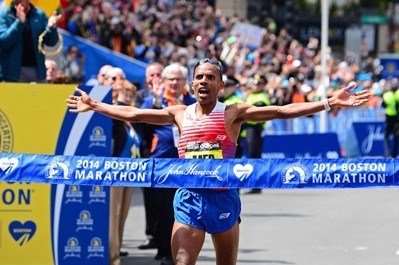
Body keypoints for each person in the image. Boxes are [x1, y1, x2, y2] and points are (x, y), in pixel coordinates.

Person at [66, 58, 369, 265]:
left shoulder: (232, 113)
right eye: (199, 77)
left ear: (220, 85)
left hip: (223, 202)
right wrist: (95, 105)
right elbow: (134, 114)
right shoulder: (179, 113)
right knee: (183, 261)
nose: (204, 81)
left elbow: (281, 111)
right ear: (192, 83)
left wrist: (330, 101)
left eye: (211, 77)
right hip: (188, 200)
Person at [140, 62, 196, 265]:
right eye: (170, 79)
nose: (173, 82)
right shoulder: (155, 100)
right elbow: (141, 118)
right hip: (161, 163)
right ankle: (164, 250)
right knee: (162, 208)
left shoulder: (192, 102)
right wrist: (154, 99)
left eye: (177, 79)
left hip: (186, 164)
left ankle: (179, 253)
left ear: (184, 82)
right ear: (163, 81)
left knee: (181, 209)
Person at [109, 79, 141, 265]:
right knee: (114, 215)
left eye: (131, 94)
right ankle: (113, 258)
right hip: (116, 171)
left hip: (130, 171)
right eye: (125, 93)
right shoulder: (115, 113)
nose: (128, 97)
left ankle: (117, 249)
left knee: (123, 215)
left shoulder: (129, 118)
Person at [134, 61, 164, 250]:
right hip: (148, 152)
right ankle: (151, 234)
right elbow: (138, 121)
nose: (154, 78)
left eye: (157, 74)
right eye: (151, 75)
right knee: (150, 197)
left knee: (166, 200)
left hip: (169, 153)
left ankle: (164, 238)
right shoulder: (140, 96)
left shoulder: (171, 94)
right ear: (146, 79)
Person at [0, 0, 62, 82]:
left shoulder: (39, 14)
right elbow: (4, 42)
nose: (21, 2)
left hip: (38, 72)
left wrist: (51, 28)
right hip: (13, 74)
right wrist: (19, 23)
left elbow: (51, 42)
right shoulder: (4, 15)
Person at [242, 73, 270, 194]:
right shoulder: (251, 96)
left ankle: (257, 184)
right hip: (248, 129)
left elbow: (255, 112)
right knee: (252, 156)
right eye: (254, 83)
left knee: (255, 157)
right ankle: (255, 184)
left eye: (258, 84)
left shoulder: (262, 97)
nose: (256, 86)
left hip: (255, 129)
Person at [382, 82, 399, 157]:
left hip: (389, 117)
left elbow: (383, 105)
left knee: (386, 136)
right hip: (397, 118)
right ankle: (394, 154)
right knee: (396, 136)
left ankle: (388, 153)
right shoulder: (397, 95)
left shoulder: (387, 95)